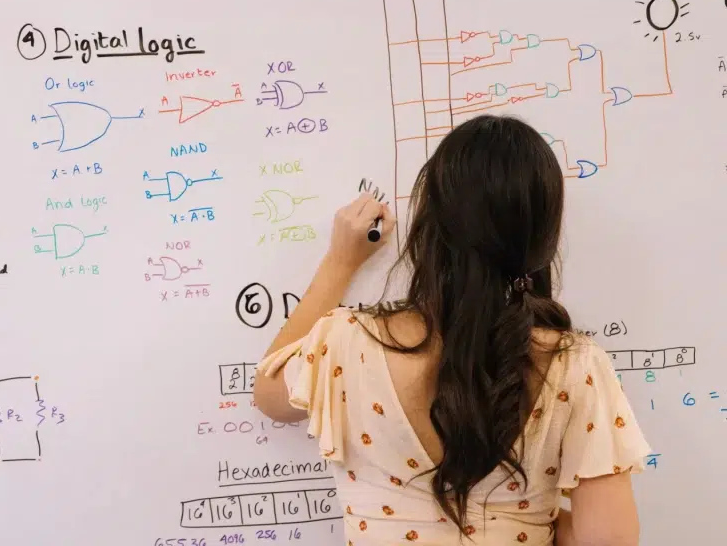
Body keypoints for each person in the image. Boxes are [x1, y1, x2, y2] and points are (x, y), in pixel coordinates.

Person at [253, 115, 650, 545]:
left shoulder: (347, 343)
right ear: (541, 238)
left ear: (428, 225)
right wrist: (530, 521)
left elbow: (269, 394)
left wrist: (340, 261)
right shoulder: (574, 365)